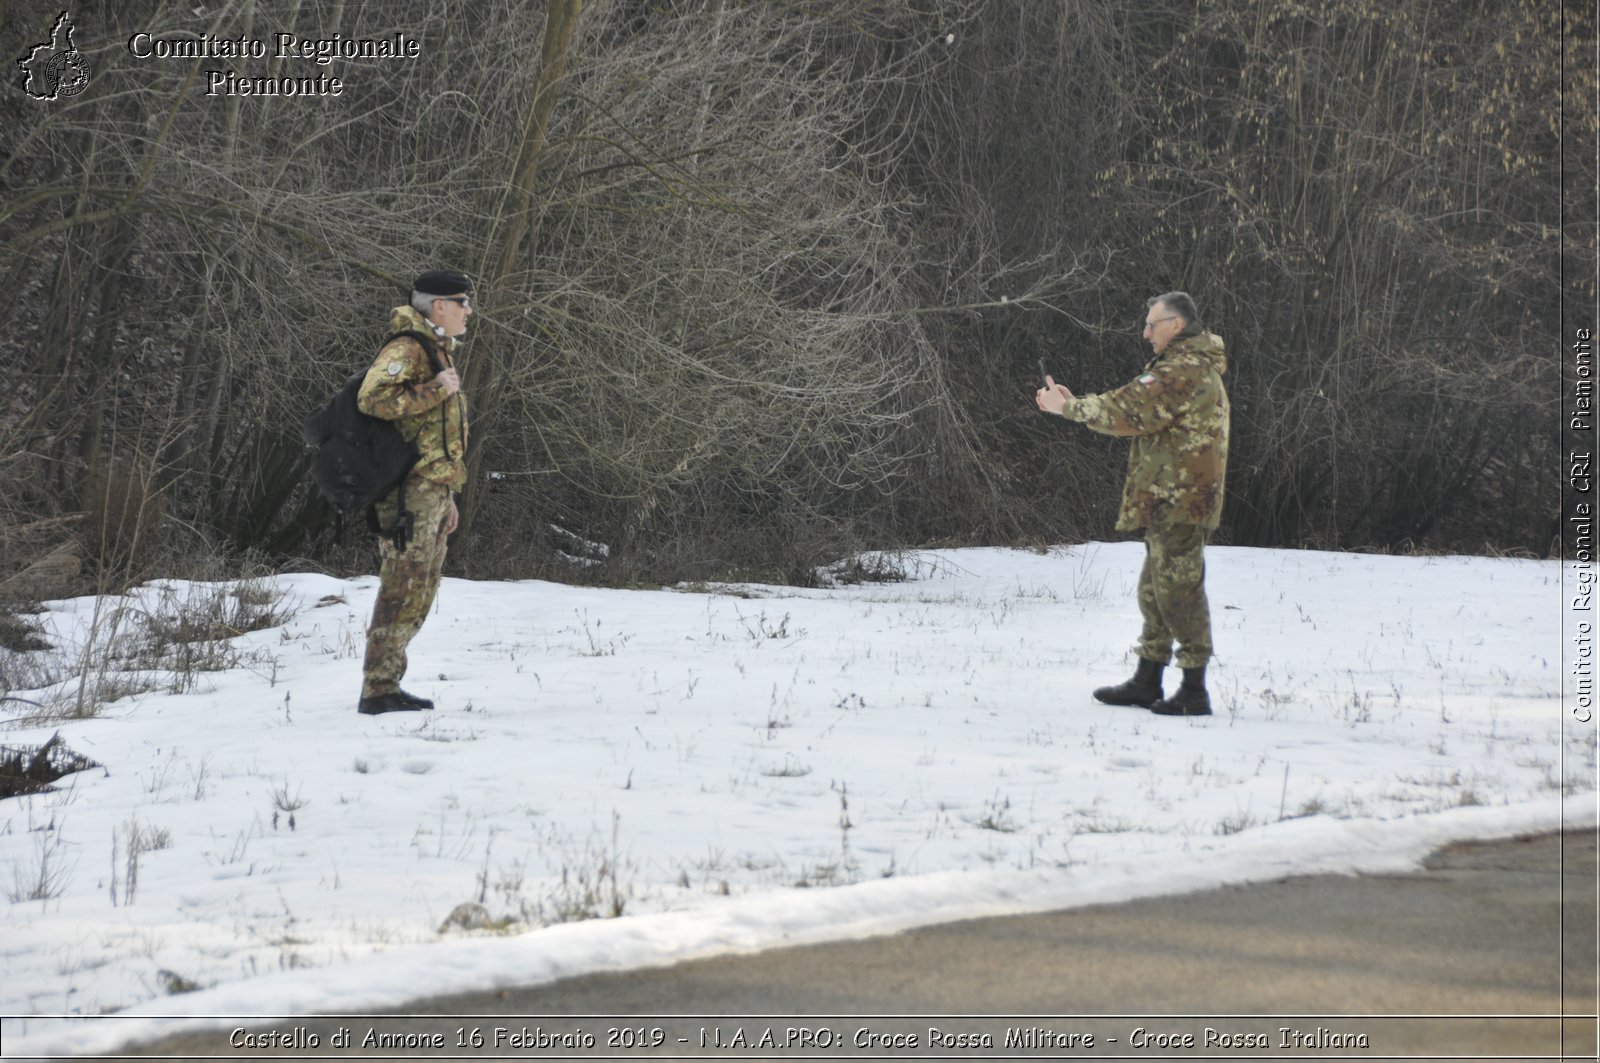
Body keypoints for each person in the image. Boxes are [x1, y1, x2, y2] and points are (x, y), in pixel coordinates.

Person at [1035, 292, 1229, 716]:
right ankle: (1148, 678)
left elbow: (1127, 410)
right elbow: (1134, 405)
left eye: (1152, 324)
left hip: (1181, 498)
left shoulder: (1183, 369)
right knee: (1154, 590)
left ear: (1176, 325)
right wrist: (1074, 401)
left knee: (1179, 590)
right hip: (1170, 497)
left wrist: (1067, 407)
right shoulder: (1184, 366)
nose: (1145, 333)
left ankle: (1194, 689)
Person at [355, 270, 473, 715]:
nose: (468, 311)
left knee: (420, 591)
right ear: (438, 305)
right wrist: (432, 389)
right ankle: (377, 690)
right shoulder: (407, 348)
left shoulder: (437, 350)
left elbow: (438, 434)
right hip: (408, 495)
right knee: (401, 589)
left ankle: (387, 684)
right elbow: (372, 398)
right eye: (462, 302)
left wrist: (449, 495)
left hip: (433, 492)